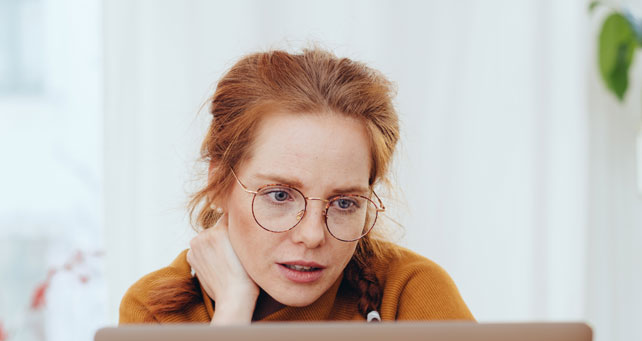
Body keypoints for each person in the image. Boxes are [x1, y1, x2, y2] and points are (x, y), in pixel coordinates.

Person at [118, 48, 474, 325]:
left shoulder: (411, 292)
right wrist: (233, 311)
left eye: (345, 203)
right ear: (218, 184)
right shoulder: (159, 312)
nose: (312, 236)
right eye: (279, 195)